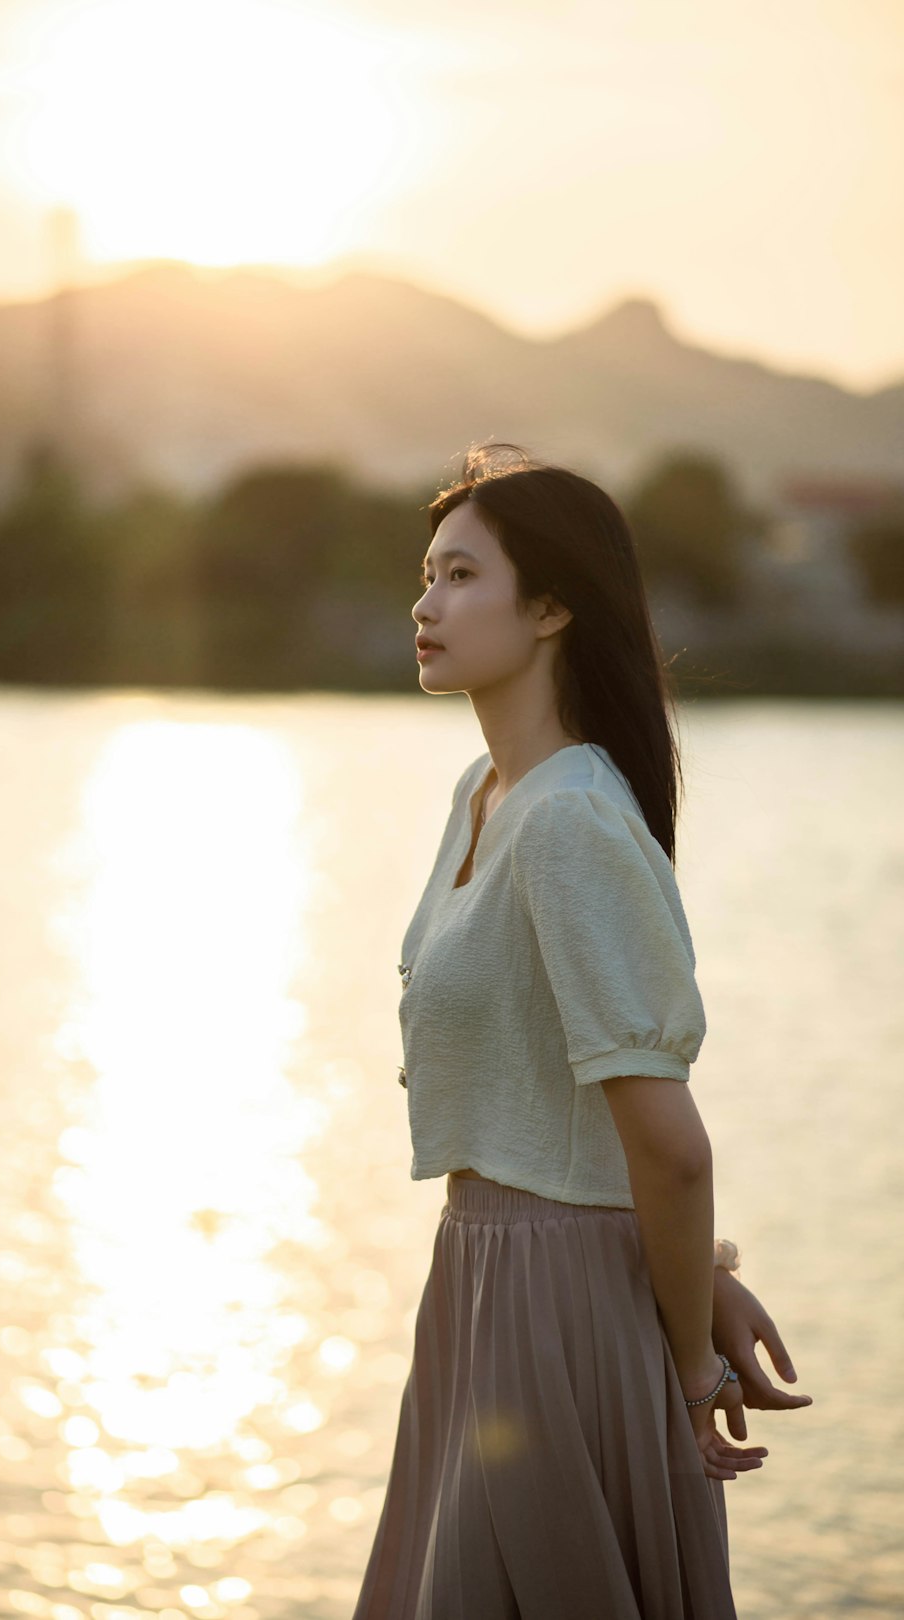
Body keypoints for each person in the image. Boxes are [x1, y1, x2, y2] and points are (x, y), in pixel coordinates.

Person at [350, 444, 812, 1619]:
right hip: (481, 1284)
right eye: (426, 574)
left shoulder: (569, 822)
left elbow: (674, 1146)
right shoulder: (487, 794)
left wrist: (687, 1352)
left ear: (550, 606)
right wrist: (692, 1271)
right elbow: (555, 1107)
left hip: (553, 1317)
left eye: (460, 575)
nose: (425, 602)